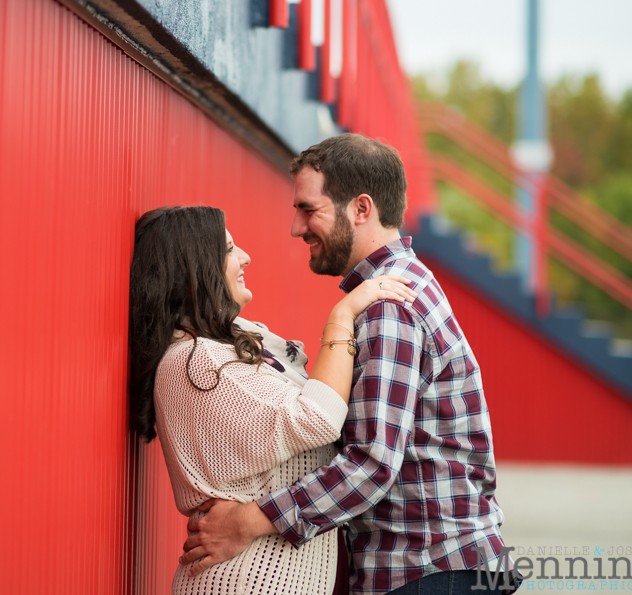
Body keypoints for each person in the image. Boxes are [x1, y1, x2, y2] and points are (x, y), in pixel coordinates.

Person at [179, 134, 516, 594]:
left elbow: (371, 464)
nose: (296, 228)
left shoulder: (387, 307)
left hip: (429, 571)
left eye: (308, 209)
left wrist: (247, 521)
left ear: (361, 209)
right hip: (439, 567)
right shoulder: (390, 289)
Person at [129, 205, 417, 594]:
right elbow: (317, 417)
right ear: (196, 267)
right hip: (244, 581)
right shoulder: (193, 361)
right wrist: (341, 317)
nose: (245, 256)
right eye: (229, 249)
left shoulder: (230, 338)